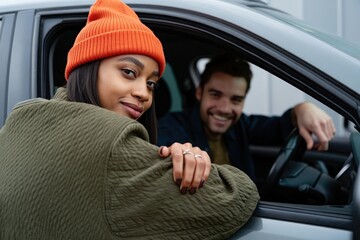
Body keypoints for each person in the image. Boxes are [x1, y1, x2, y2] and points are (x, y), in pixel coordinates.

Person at [0, 1, 260, 239]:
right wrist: (197, 162)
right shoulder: (113, 142)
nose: (143, 93)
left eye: (151, 83)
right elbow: (235, 197)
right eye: (128, 72)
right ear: (89, 66)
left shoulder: (23, 116)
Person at [157, 54, 336, 181]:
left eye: (236, 99)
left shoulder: (240, 124)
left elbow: (279, 126)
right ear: (199, 93)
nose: (225, 109)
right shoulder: (172, 127)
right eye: (215, 95)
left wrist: (303, 109)